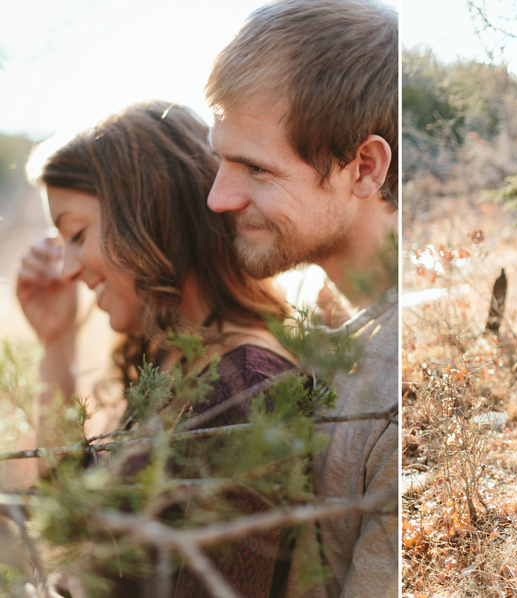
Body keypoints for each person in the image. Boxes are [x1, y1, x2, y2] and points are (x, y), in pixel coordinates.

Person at [16, 100, 298, 596]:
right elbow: (71, 518)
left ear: (148, 213)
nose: (66, 269)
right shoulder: (170, 362)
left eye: (76, 234)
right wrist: (57, 344)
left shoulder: (248, 386)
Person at [204, 0, 398, 595]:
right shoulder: (308, 302)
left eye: (255, 169)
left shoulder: (402, 380)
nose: (219, 197)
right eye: (221, 159)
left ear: (363, 168)